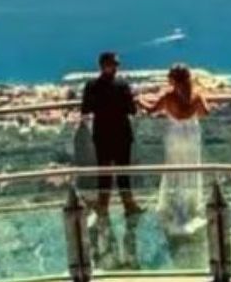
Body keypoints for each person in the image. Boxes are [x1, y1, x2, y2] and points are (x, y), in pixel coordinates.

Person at [146, 63, 212, 238]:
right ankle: (190, 205)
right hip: (191, 135)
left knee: (174, 168)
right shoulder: (197, 95)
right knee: (191, 167)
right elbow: (206, 112)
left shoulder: (168, 97)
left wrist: (139, 100)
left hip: (175, 136)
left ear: (173, 80)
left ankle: (175, 206)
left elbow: (151, 110)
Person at [79, 51, 141, 216]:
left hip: (102, 134)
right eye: (114, 64)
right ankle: (129, 205)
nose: (116, 68)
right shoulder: (123, 85)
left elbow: (85, 109)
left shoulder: (91, 86)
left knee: (104, 173)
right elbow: (132, 110)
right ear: (107, 65)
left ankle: (103, 206)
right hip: (122, 133)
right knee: (123, 172)